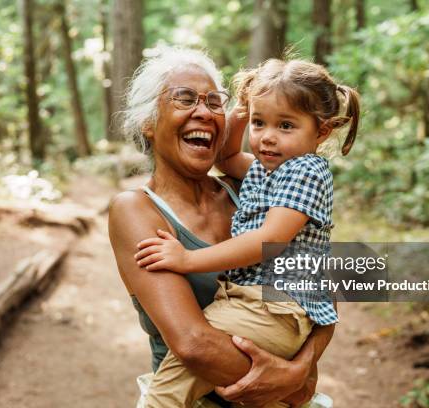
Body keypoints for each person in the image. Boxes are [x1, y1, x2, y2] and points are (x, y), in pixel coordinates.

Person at [109, 46, 336, 408]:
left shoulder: (252, 190)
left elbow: (322, 286)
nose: (203, 111)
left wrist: (301, 369)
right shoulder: (135, 209)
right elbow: (194, 346)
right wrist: (293, 386)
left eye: (215, 102)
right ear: (147, 123)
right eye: (184, 99)